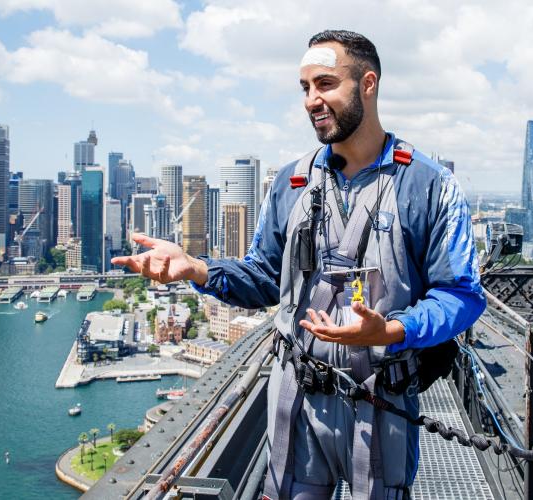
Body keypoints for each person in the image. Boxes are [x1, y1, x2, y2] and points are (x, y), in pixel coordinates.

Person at [112, 30, 485, 500]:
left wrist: (391, 330)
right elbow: (266, 277)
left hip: (381, 402)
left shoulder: (428, 185)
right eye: (305, 88)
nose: (311, 100)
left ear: (367, 84)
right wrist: (196, 269)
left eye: (326, 84)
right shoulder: (292, 183)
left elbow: (462, 295)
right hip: (298, 403)